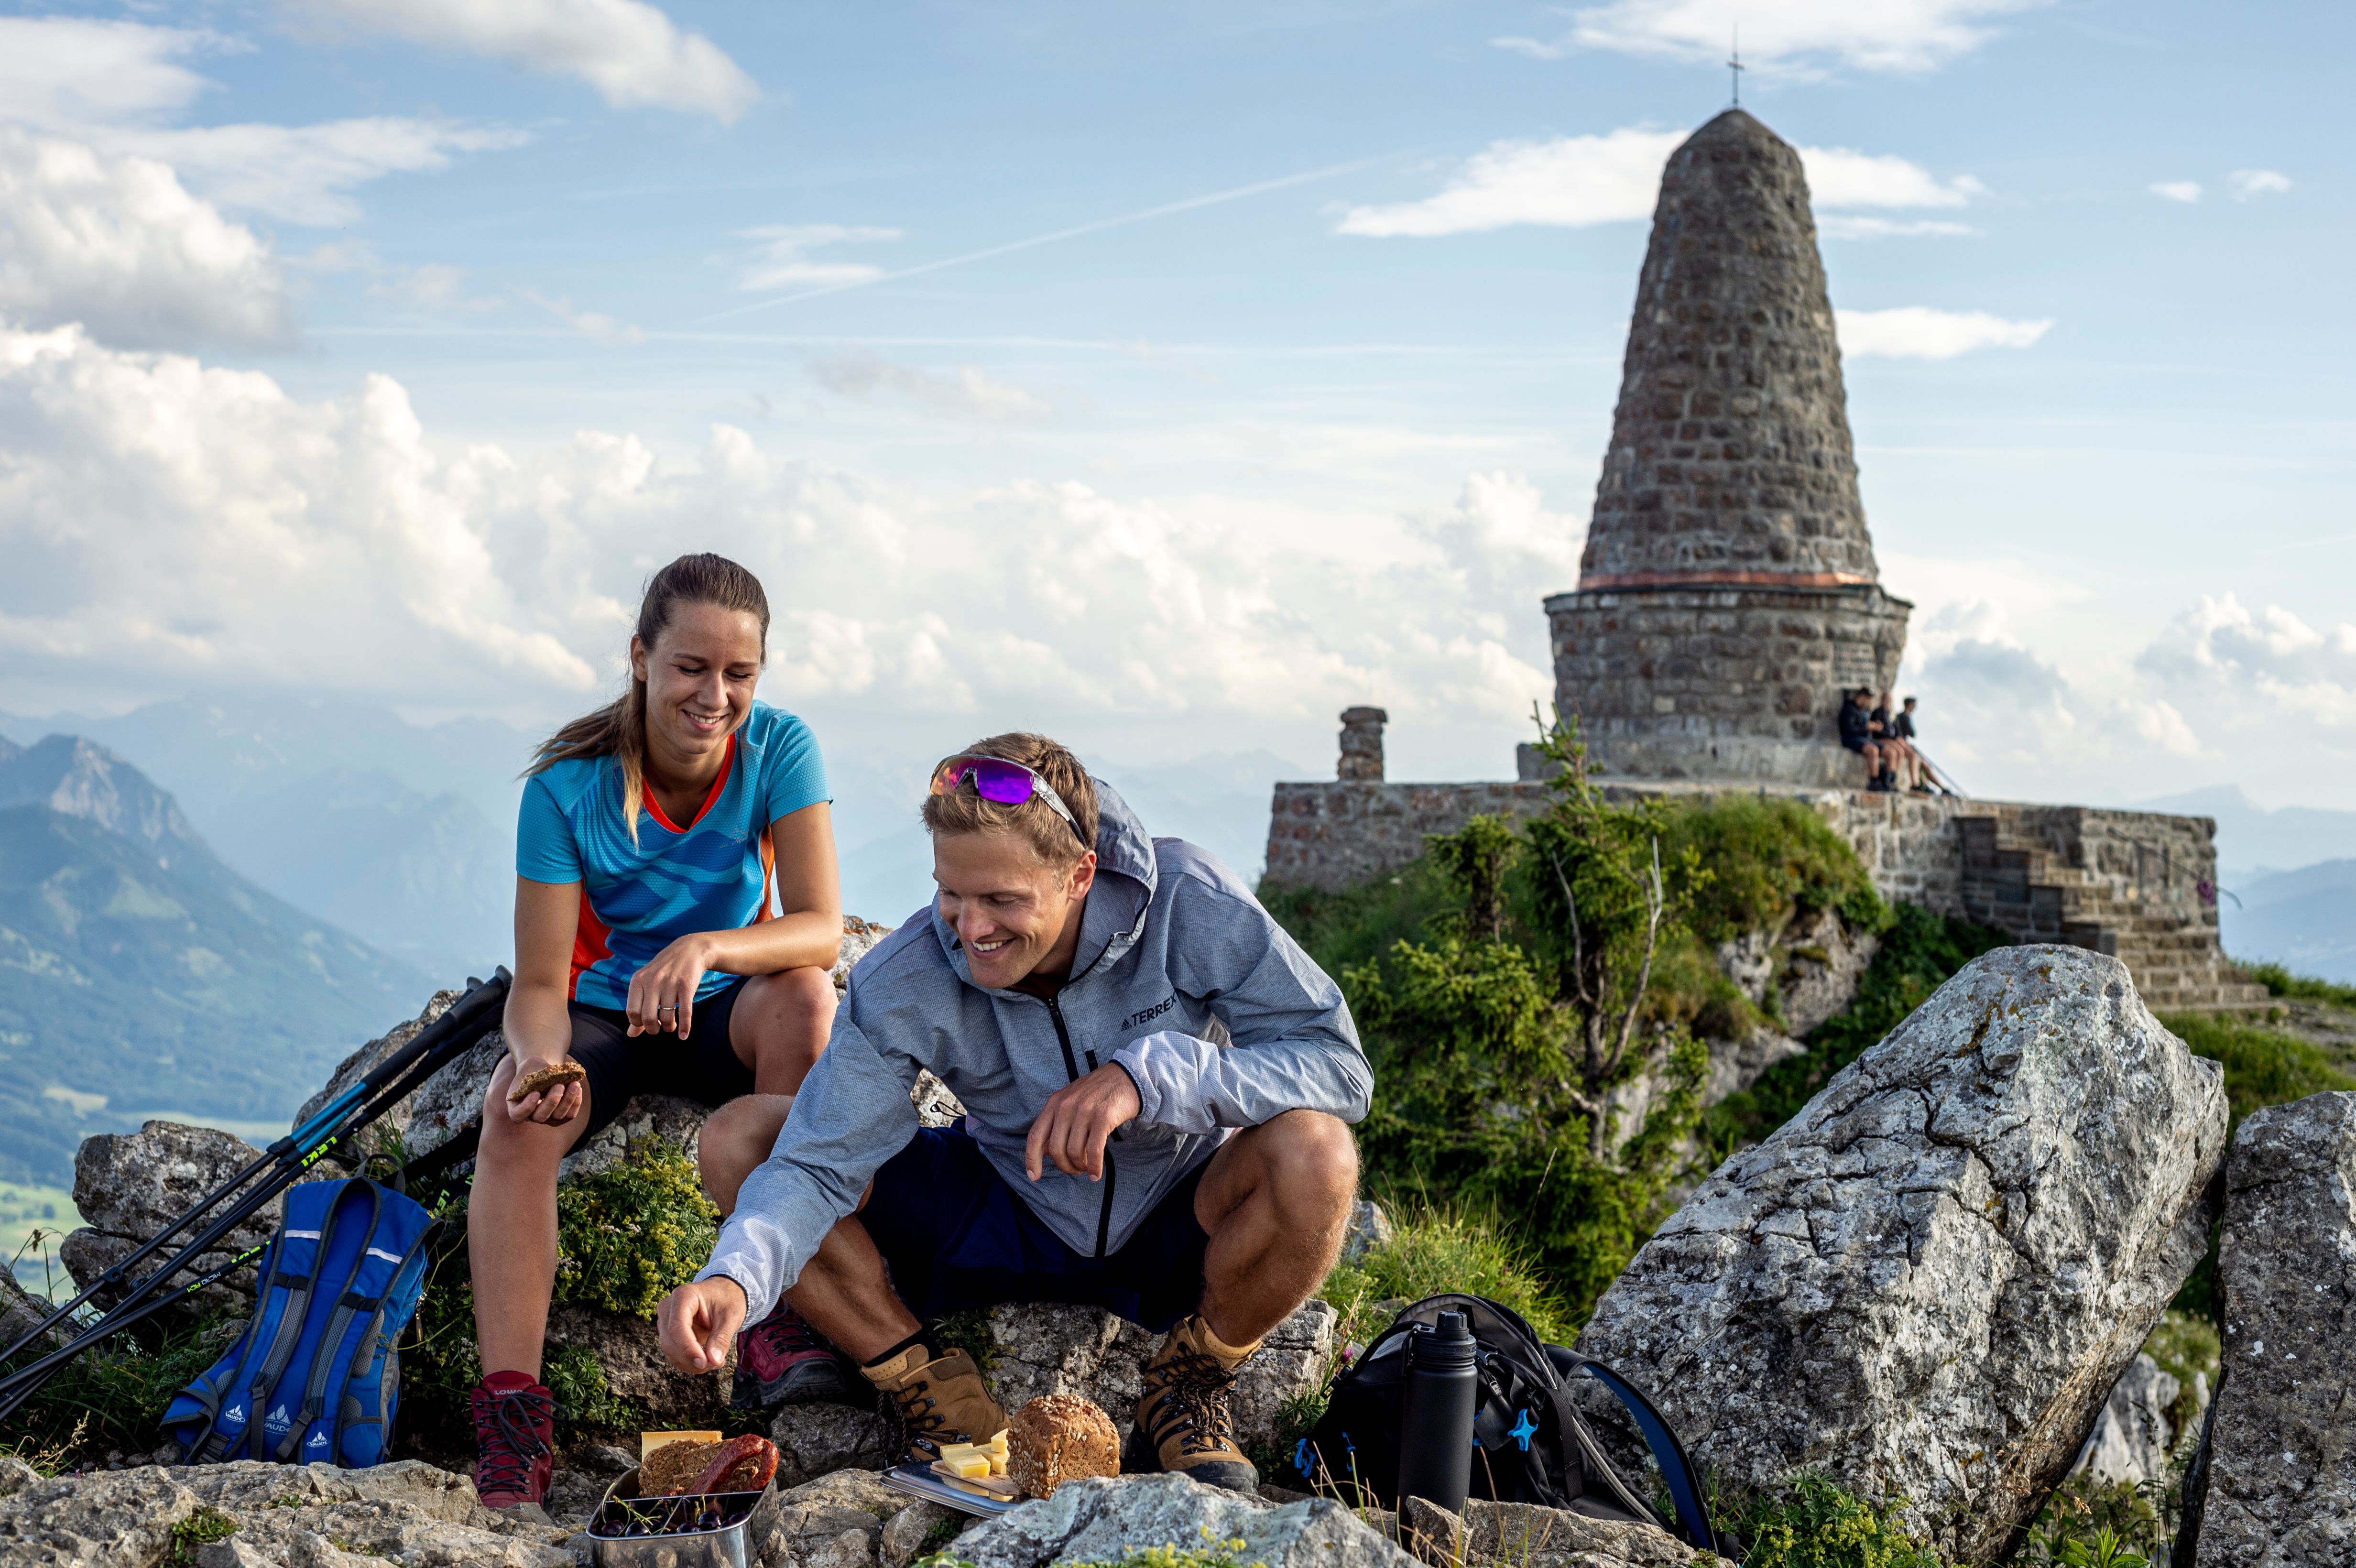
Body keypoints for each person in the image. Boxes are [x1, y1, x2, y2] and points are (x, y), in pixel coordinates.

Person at [657, 733, 1367, 1495]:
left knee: (1318, 1153)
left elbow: (1336, 1065)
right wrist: (734, 1279)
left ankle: (1185, 1388)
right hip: (1003, 1206)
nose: (970, 930)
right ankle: (942, 1402)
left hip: (1176, 1207)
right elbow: (816, 1160)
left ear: (1080, 875)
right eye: (951, 894)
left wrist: (1147, 1076)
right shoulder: (911, 975)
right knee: (746, 1139)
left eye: (1002, 900)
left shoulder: (1189, 901)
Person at [468, 554, 845, 1512]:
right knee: (513, 1117)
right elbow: (541, 980)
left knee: (805, 997)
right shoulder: (565, 787)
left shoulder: (779, 749)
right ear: (641, 656)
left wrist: (707, 945)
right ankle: (512, 1419)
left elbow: (819, 926)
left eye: (738, 673)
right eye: (690, 667)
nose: (714, 694)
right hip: (601, 1011)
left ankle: (773, 1302)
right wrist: (541, 1058)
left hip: (722, 997)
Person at [1870, 689, 1925, 793]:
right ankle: (1890, 780)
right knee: (1898, 751)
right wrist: (1895, 739)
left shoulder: (1892, 714)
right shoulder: (1878, 712)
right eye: (1886, 700)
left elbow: (1898, 730)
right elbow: (1878, 731)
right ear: (1882, 700)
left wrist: (1899, 738)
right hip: (1883, 739)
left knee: (1912, 755)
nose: (1888, 702)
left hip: (1894, 740)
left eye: (1890, 700)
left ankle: (1914, 783)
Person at [1839, 686, 1891, 791]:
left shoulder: (1865, 711)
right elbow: (1849, 730)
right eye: (1868, 699)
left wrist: (1874, 727)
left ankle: (1888, 782)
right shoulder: (1849, 708)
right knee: (1873, 750)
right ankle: (1874, 782)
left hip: (1865, 739)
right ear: (1862, 696)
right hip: (1850, 738)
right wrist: (1867, 727)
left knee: (1890, 751)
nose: (1870, 702)